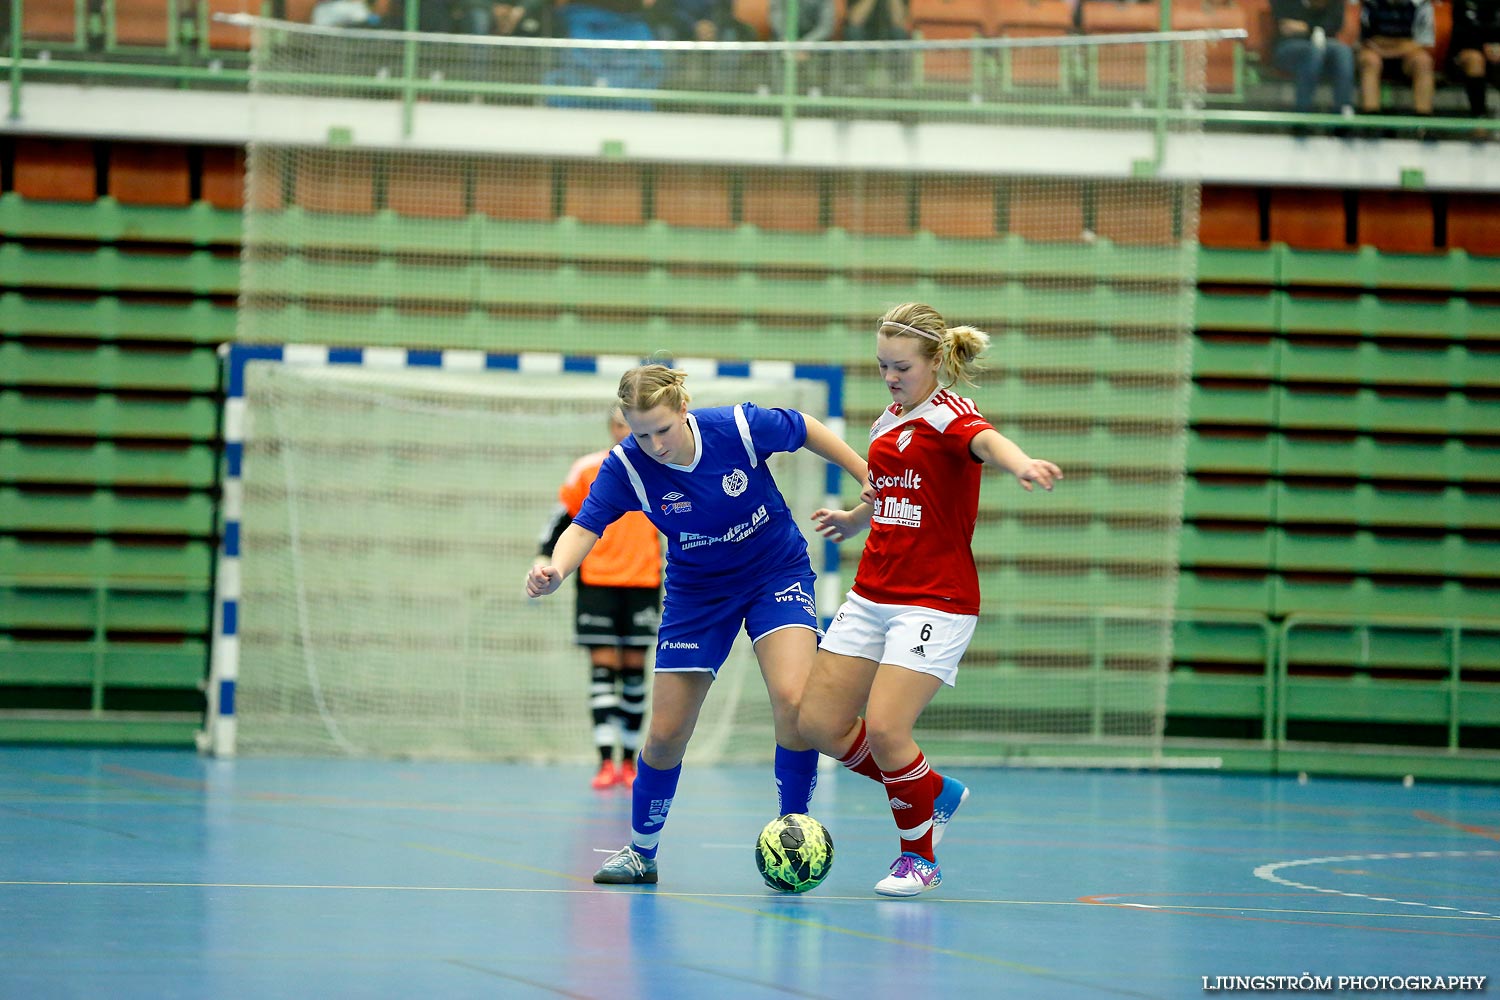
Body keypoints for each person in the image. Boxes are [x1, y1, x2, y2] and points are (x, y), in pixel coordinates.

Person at [526, 363, 868, 885]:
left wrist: (866, 475)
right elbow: (585, 525)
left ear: (684, 409)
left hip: (774, 573)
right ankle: (641, 852)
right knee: (664, 735)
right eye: (641, 433)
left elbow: (803, 427)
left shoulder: (737, 427)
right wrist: (554, 567)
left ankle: (793, 822)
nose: (654, 444)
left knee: (796, 704)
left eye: (662, 429)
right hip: (697, 595)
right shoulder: (627, 467)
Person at [797, 302, 1062, 898]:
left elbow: (990, 443)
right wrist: (855, 518)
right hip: (872, 592)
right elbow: (894, 491)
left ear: (935, 361)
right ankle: (931, 789)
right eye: (882, 366)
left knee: (889, 729)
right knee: (817, 723)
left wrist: (1020, 465)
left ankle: (919, 859)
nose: (891, 378)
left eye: (901, 367)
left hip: (934, 600)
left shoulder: (951, 417)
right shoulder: (885, 422)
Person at [537, 405, 663, 791]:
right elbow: (562, 520)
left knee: (634, 672)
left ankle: (630, 763)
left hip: (643, 580)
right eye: (621, 422)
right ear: (612, 426)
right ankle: (607, 763)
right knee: (603, 668)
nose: (627, 429)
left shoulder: (661, 466)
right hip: (597, 581)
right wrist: (545, 556)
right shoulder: (589, 469)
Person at [1271, 0, 1356, 117]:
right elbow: (1286, 26)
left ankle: (1343, 111)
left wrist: (1307, 27)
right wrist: (1316, 29)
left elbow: (1335, 24)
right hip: (1289, 45)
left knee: (1343, 51)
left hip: (1325, 42)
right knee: (1313, 52)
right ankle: (1303, 113)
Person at [1357, 0, 1435, 122]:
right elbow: (1366, 41)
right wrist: (1402, 44)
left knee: (1423, 61)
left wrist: (1388, 48)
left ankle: (1423, 123)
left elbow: (1423, 42)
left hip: (1407, 58)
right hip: (1376, 54)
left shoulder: (1421, 4)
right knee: (1369, 60)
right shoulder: (1369, 4)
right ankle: (1371, 121)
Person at [1451, 0, 1500, 123]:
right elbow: (1457, 32)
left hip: (1495, 52)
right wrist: (1482, 47)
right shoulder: (1459, 4)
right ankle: (1479, 119)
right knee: (1475, 59)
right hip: (1464, 54)